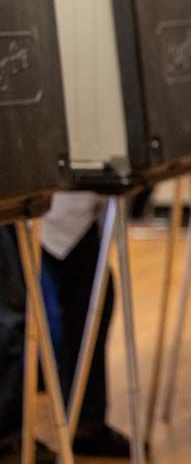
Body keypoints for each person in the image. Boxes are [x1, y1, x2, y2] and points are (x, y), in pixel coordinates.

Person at [0, 194, 130, 463]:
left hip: (70, 188)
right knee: (14, 313)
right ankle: (8, 435)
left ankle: (86, 422)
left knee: (94, 297)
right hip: (19, 186)